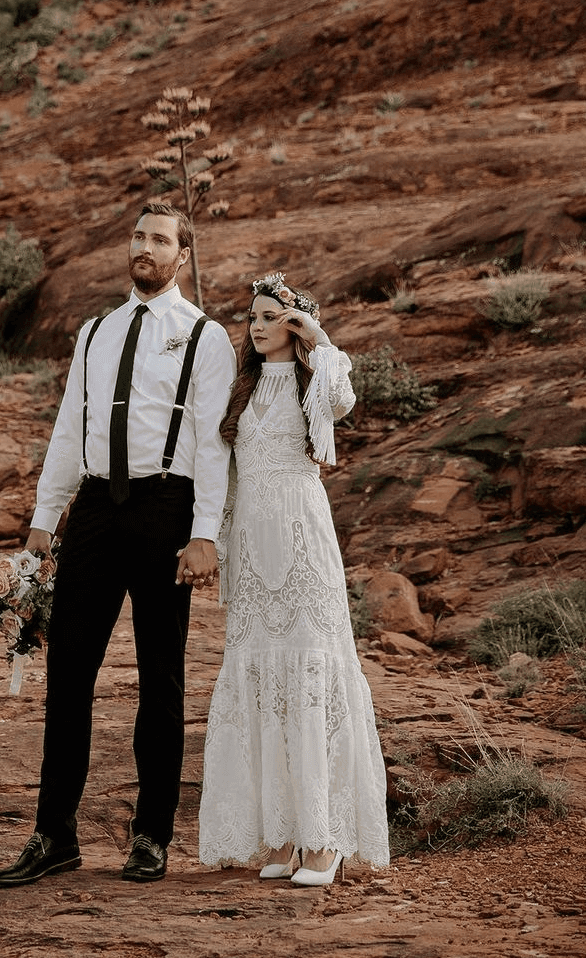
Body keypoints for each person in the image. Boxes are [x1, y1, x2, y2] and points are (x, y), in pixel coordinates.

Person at [0, 202, 237, 888]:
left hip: (166, 507)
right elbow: (72, 425)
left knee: (161, 680)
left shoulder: (205, 336)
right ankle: (53, 835)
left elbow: (214, 444)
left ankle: (152, 836)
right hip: (95, 508)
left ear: (182, 256)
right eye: (138, 236)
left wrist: (206, 533)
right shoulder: (95, 331)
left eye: (160, 239)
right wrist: (45, 517)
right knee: (69, 677)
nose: (145, 247)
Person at [197, 272, 390, 886]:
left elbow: (341, 402)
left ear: (293, 324)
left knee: (310, 676)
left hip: (305, 541)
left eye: (269, 315)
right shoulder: (239, 392)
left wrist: (316, 334)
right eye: (250, 317)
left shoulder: (317, 379)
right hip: (255, 547)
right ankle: (279, 835)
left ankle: (323, 841)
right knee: (262, 683)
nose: (256, 325)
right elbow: (223, 472)